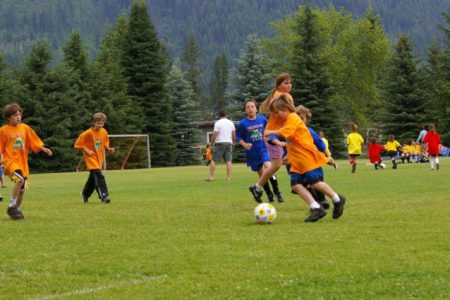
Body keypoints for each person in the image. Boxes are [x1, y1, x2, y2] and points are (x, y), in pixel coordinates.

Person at [264, 94, 346, 222]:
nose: (276, 116)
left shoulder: (293, 117)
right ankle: (316, 207)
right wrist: (288, 156)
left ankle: (337, 199)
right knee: (296, 185)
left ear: (285, 109)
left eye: (277, 113)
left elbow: (287, 133)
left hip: (307, 156)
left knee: (315, 182)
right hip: (297, 160)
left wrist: (270, 132)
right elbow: (292, 142)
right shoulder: (287, 119)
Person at [0, 103, 53, 219]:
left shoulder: (25, 128)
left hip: (22, 163)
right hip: (10, 162)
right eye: (15, 115)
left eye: (19, 114)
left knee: (22, 190)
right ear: (8, 117)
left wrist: (43, 149)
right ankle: (11, 205)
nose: (18, 117)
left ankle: (17, 210)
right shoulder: (3, 131)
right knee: (19, 180)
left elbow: (33, 141)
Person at [248, 73, 293, 202]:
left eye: (290, 83)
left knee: (277, 165)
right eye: (285, 83)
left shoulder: (282, 95)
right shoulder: (280, 97)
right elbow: (286, 114)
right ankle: (258, 187)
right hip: (274, 134)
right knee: (276, 165)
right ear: (279, 85)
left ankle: (258, 187)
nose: (289, 85)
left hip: (278, 133)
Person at [236, 99, 281, 203]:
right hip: (252, 153)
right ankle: (269, 195)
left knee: (269, 168)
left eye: (252, 107)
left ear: (256, 109)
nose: (250, 109)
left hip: (263, 149)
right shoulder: (243, 123)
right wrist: (245, 144)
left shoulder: (262, 120)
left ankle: (277, 192)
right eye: (248, 107)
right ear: (245, 110)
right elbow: (238, 137)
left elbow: (269, 132)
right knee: (262, 175)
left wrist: (276, 141)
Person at [75, 112, 115, 204]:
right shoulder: (87, 133)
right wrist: (87, 150)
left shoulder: (104, 131)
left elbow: (105, 142)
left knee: (93, 178)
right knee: (98, 175)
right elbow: (77, 145)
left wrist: (109, 148)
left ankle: (85, 194)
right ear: (94, 122)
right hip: (91, 158)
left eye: (102, 123)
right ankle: (104, 196)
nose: (100, 125)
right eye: (98, 123)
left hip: (99, 158)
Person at [205, 109, 235, 182]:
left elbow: (215, 134)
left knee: (213, 160)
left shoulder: (218, 123)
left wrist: (211, 144)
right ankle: (229, 178)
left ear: (219, 115)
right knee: (228, 161)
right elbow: (233, 134)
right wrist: (233, 142)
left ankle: (211, 177)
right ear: (226, 114)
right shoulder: (231, 123)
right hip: (229, 143)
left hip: (220, 143)